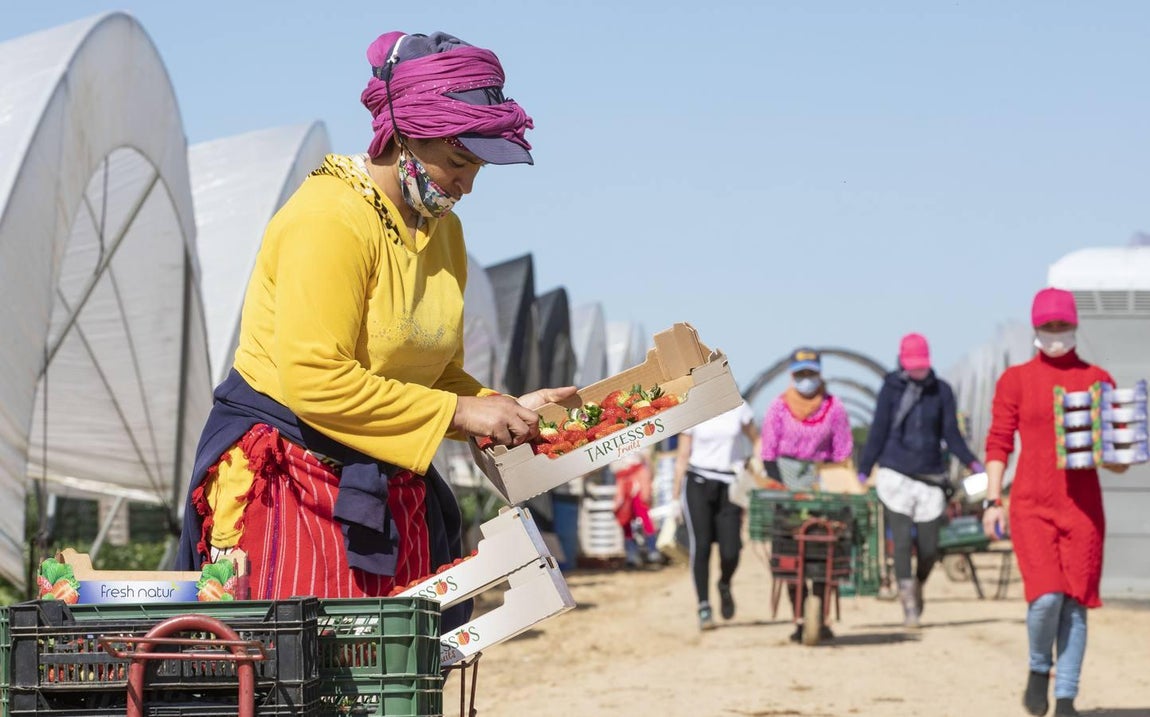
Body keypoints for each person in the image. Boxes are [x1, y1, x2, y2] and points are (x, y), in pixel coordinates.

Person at [174, 31, 575, 629]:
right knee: (312, 668)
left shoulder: (444, 234)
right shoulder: (329, 218)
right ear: (405, 134)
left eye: (477, 168)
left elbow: (438, 375)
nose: (467, 184)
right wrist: (461, 416)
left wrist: (502, 408)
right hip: (294, 478)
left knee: (392, 670)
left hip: (383, 475)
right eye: (460, 161)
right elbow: (316, 379)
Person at [982, 288, 1126, 717]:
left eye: (1063, 326)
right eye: (1048, 327)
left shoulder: (1097, 379)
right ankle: (1037, 667)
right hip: (1030, 504)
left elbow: (1116, 460)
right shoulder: (1017, 380)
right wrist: (994, 499)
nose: (1057, 335)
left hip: (1082, 509)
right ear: (1036, 330)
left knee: (1076, 604)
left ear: (1076, 326)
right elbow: (999, 442)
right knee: (1046, 598)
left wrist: (1115, 450)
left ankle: (1065, 698)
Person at [857, 333, 984, 628]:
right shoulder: (890, 390)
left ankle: (918, 583)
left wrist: (972, 461)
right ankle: (908, 605)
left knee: (929, 547)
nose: (917, 371)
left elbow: (951, 434)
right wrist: (864, 469)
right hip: (895, 473)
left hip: (930, 476)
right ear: (902, 362)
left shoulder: (941, 392)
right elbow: (878, 431)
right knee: (900, 542)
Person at [759, 347, 854, 641]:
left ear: (819, 374)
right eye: (801, 374)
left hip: (821, 478)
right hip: (786, 478)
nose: (806, 379)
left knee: (826, 546)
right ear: (792, 376)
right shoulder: (778, 407)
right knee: (789, 551)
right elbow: (768, 451)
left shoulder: (834, 408)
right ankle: (798, 615)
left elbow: (843, 450)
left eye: (811, 374)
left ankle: (821, 614)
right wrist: (781, 487)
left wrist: (836, 479)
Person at [673, 401, 757, 630]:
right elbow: (682, 455)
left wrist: (756, 467)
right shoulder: (692, 406)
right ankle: (704, 606)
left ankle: (724, 583)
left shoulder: (739, 406)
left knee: (731, 550)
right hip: (698, 483)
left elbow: (756, 439)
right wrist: (674, 497)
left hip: (730, 485)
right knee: (701, 546)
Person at [611, 452, 664, 569]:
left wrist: (649, 479)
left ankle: (652, 550)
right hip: (623, 481)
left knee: (644, 514)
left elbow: (647, 458)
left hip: (638, 482)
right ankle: (632, 553)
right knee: (624, 517)